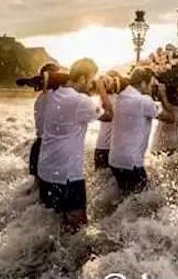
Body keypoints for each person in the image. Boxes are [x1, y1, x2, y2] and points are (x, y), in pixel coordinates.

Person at [37, 58, 113, 232]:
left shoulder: (52, 95)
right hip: (68, 175)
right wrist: (102, 90)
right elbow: (109, 116)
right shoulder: (79, 101)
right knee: (78, 229)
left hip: (47, 171)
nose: (91, 85)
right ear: (82, 79)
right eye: (91, 80)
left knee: (53, 228)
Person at [108, 67, 161, 194]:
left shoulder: (121, 97)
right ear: (143, 83)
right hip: (132, 162)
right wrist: (162, 96)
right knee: (142, 203)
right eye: (151, 84)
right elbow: (169, 118)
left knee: (125, 198)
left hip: (115, 160)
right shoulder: (143, 100)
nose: (151, 88)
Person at [29, 62, 64, 180]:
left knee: (37, 189)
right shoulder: (57, 97)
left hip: (38, 147)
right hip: (50, 148)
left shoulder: (40, 98)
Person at [94, 70, 121, 170]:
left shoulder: (118, 98)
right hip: (104, 147)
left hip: (109, 147)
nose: (109, 83)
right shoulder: (103, 99)